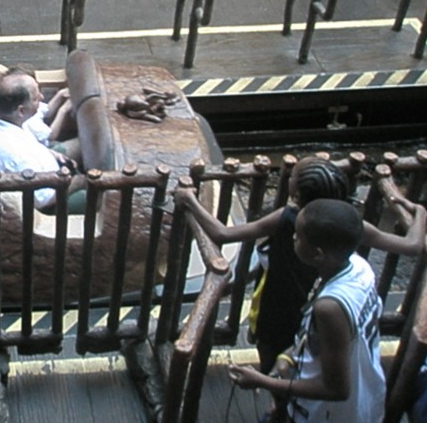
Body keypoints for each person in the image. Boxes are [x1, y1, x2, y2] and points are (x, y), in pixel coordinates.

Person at [177, 155, 425, 374]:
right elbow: (412, 246)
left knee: (273, 364)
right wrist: (420, 212)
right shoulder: (349, 223)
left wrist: (189, 200)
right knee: (312, 364)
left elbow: (222, 234)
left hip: (278, 310)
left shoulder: (287, 219)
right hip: (324, 314)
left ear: (295, 195)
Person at [228, 199, 386, 423]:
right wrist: (289, 356)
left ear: (317, 254)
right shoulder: (359, 268)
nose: (293, 237)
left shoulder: (329, 308)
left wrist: (261, 381)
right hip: (365, 398)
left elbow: (336, 389)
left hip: (329, 415)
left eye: (299, 236)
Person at [0, 70, 85, 215]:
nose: (42, 98)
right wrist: (81, 181)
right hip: (45, 205)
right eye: (36, 99)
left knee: (84, 144)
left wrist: (51, 153)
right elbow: (44, 200)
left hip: (42, 165)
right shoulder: (14, 154)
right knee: (98, 197)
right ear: (21, 110)